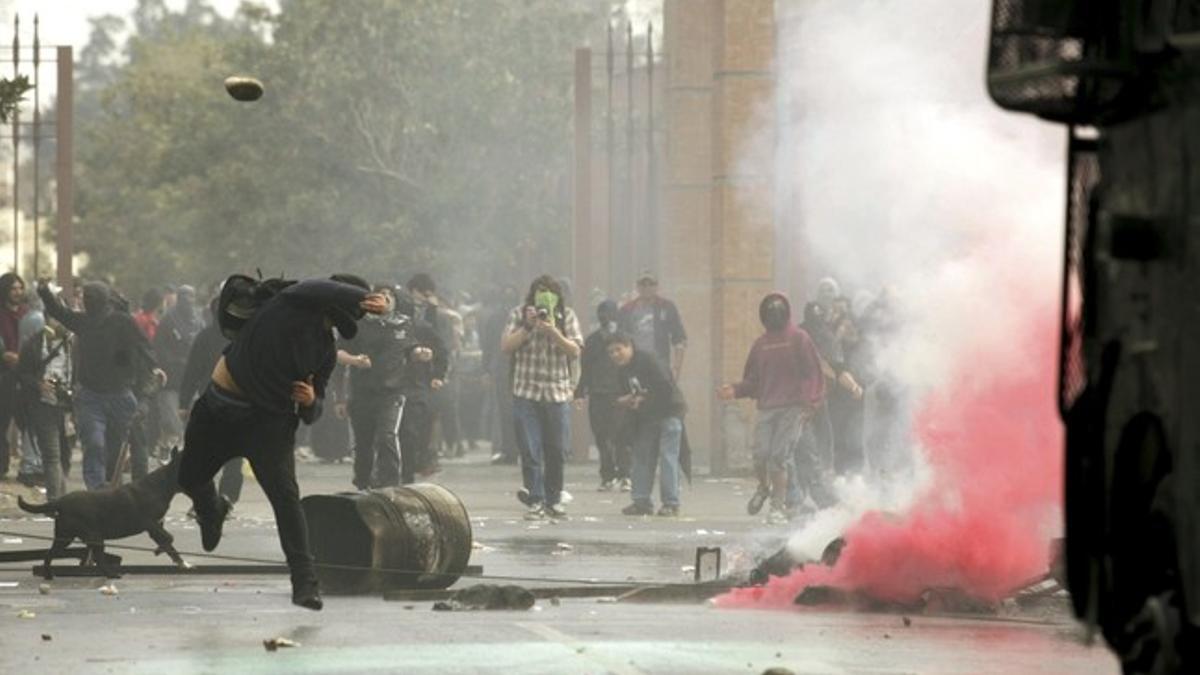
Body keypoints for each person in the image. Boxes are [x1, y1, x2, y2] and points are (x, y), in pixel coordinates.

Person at [177, 275, 387, 610]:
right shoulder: (286, 303)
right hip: (218, 411)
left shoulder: (326, 351)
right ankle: (211, 509)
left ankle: (305, 582)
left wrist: (309, 401)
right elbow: (310, 287)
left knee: (286, 500)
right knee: (189, 477)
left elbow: (315, 408)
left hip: (268, 423)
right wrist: (362, 295)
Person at [38, 280, 163, 490]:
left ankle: (138, 488)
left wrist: (153, 367)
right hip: (91, 395)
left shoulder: (123, 322)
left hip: (120, 393)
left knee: (134, 442)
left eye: (92, 298)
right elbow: (58, 312)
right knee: (94, 443)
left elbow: (143, 346)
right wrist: (44, 293)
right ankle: (97, 489)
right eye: (86, 297)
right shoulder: (83, 321)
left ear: (104, 300)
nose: (88, 301)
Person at [718, 293, 827, 524]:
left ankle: (778, 506)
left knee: (779, 456)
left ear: (786, 311)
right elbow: (754, 381)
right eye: (770, 309)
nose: (774, 312)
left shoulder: (799, 338)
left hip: (794, 408)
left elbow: (813, 374)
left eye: (778, 308)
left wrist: (810, 403)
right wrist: (735, 390)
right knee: (760, 455)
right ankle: (763, 488)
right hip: (768, 407)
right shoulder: (760, 345)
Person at [501, 275, 583, 520]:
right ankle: (535, 499)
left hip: (557, 393)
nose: (544, 296)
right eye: (539, 291)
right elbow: (506, 346)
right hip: (526, 392)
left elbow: (575, 350)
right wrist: (528, 326)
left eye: (549, 292)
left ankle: (554, 499)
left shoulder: (566, 315)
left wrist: (553, 331)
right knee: (530, 448)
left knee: (556, 450)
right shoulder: (519, 314)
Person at [338, 285, 432, 490]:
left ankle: (390, 485)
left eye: (390, 295)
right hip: (362, 392)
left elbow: (411, 349)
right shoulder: (357, 324)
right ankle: (363, 484)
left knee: (386, 436)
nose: (386, 298)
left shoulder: (403, 324)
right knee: (364, 444)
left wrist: (420, 353)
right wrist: (355, 360)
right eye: (381, 294)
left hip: (392, 392)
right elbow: (338, 353)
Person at [607, 332, 686, 517]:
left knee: (667, 458)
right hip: (646, 417)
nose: (615, 355)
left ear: (629, 346)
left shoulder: (648, 360)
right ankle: (641, 501)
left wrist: (642, 399)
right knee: (641, 457)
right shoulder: (623, 370)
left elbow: (665, 387)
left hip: (668, 412)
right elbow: (622, 394)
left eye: (618, 349)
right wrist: (626, 400)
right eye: (611, 352)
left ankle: (671, 503)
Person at [178, 295, 243, 505]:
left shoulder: (204, 337)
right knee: (233, 453)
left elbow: (191, 372)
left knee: (205, 452)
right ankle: (228, 497)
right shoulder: (243, 337)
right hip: (238, 402)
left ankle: (206, 498)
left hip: (211, 400)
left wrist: (184, 402)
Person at [392, 289, 448, 484]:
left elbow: (442, 350)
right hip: (388, 385)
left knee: (410, 431)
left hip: (416, 385)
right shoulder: (381, 327)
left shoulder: (422, 328)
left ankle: (408, 473)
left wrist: (438, 374)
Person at [576, 300, 631, 491]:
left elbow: (632, 365)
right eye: (602, 313)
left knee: (622, 436)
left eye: (608, 313)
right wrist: (580, 392)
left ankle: (625, 474)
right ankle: (608, 475)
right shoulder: (592, 341)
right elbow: (585, 368)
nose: (605, 317)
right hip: (599, 394)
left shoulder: (624, 340)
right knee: (601, 436)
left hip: (620, 393)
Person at [16, 317, 72, 500]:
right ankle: (56, 500)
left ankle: (61, 497)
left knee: (65, 454)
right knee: (51, 454)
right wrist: (39, 384)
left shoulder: (73, 344)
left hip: (68, 407)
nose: (59, 323)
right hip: (43, 404)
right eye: (55, 319)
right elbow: (22, 373)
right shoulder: (33, 344)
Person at [154, 285, 205, 453]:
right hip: (171, 378)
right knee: (171, 421)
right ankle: (168, 448)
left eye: (191, 296)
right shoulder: (168, 319)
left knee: (193, 421)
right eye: (185, 296)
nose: (188, 300)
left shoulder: (198, 320)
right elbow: (160, 347)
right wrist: (171, 363)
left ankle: (185, 453)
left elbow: (202, 345)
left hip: (191, 379)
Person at [618, 272, 687, 380]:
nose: (647, 288)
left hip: (659, 365)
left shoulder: (666, 307)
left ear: (656, 287)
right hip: (634, 365)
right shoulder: (627, 310)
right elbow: (619, 341)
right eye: (643, 284)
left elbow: (679, 339)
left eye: (651, 284)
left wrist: (676, 368)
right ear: (638, 287)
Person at [0, 272, 26, 478]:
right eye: (13, 288)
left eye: (20, 288)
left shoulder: (28, 314)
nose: (17, 292)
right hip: (5, 374)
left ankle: (31, 466)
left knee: (28, 422)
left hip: (26, 375)